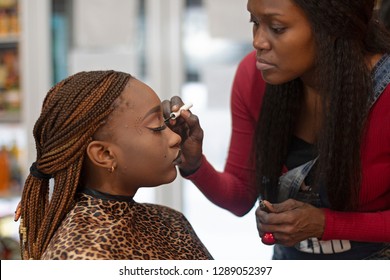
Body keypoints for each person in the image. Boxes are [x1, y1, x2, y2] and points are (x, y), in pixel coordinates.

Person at [162, 0, 390, 259]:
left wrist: (325, 224)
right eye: (255, 23)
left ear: (333, 26)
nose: (258, 41)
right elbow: (239, 197)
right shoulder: (252, 77)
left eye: (277, 28)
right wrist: (194, 164)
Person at [18, 70, 212, 260]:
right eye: (157, 127)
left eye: (167, 121)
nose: (175, 137)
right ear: (105, 155)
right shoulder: (83, 257)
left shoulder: (171, 221)